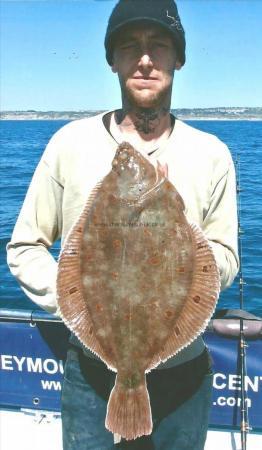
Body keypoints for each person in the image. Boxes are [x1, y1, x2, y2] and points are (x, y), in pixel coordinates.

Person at [7, 0, 239, 449]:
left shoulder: (213, 154)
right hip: (91, 377)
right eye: (130, 46)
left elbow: (227, 257)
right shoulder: (68, 143)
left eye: (159, 45)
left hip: (185, 375)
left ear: (179, 58)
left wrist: (180, 237)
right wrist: (82, 303)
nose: (146, 59)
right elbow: (25, 248)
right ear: (112, 60)